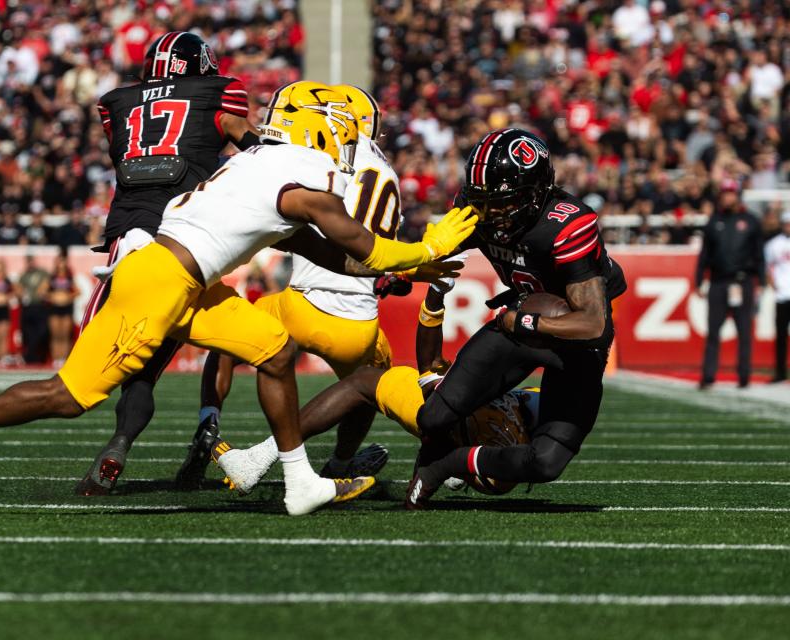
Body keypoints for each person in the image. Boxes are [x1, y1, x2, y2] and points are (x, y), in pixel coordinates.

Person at [0, 80, 475, 516]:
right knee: (70, 395)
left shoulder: (265, 164)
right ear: (322, 132)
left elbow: (330, 254)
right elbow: (366, 250)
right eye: (344, 134)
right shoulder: (301, 174)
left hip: (186, 278)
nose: (349, 146)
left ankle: (300, 482)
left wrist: (420, 257)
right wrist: (427, 246)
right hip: (161, 282)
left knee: (273, 349)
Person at [74, 31, 264, 495]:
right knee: (221, 341)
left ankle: (119, 439)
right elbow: (251, 146)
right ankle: (205, 423)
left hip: (131, 235)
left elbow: (134, 146)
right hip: (187, 238)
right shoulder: (218, 93)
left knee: (117, 367)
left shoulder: (115, 102)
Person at [183, 85, 402, 488]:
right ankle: (340, 461)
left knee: (227, 329)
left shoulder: (319, 157)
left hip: (302, 305)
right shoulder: (388, 173)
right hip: (357, 325)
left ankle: (209, 421)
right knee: (369, 383)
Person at [401, 128, 627, 509]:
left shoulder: (567, 223)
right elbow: (433, 252)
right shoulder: (480, 209)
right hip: (520, 325)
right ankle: (501, 407)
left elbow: (592, 323)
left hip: (570, 339)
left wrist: (521, 322)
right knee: (433, 419)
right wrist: (399, 270)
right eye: (484, 201)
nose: (492, 213)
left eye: (504, 202)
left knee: (545, 462)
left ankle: (451, 463)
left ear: (536, 192)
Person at [225, 282, 536, 496]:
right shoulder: (534, 367)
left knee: (365, 380)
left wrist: (434, 297)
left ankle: (260, 457)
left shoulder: (506, 350)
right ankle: (446, 463)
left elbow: (430, 368)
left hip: (480, 432)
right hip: (499, 457)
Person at [695, 180, 766, 389]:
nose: (727, 197)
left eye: (731, 193)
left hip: (742, 282)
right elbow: (704, 255)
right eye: (724, 193)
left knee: (744, 331)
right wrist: (699, 280)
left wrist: (760, 281)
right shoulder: (714, 221)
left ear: (738, 195)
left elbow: (759, 254)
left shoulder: (751, 221)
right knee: (713, 332)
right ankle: (708, 376)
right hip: (718, 282)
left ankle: (744, 376)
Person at [764, 210, 790, 383]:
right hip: (782, 295)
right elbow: (767, 267)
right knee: (781, 335)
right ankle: (780, 372)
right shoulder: (773, 244)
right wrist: (773, 284)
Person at [44, 254, 79, 367]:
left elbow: (78, 291)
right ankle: (56, 358)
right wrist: (52, 296)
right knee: (55, 335)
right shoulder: (51, 278)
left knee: (64, 335)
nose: (61, 264)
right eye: (59, 261)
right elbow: (42, 292)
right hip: (54, 309)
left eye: (63, 261)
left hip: (66, 308)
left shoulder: (69, 277)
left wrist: (68, 297)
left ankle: (63, 358)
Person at [18, 255, 50, 364]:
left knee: (41, 332)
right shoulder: (24, 275)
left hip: (40, 306)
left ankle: (34, 355)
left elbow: (46, 284)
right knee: (28, 333)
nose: (30, 264)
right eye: (28, 262)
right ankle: (31, 357)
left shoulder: (42, 273)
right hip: (28, 307)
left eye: (31, 261)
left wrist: (42, 291)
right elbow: (19, 288)